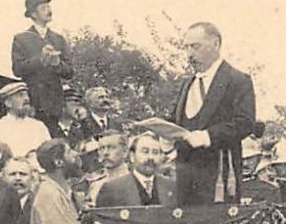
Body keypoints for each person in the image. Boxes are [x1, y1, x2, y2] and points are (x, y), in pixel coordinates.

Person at [168, 22, 256, 206]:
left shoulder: (238, 80)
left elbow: (245, 123)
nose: (189, 54)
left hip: (218, 178)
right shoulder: (187, 83)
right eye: (186, 47)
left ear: (215, 44)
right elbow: (177, 120)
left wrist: (209, 136)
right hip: (184, 178)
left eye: (195, 46)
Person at [9, 0, 73, 130]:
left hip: (56, 100)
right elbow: (17, 69)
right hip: (33, 99)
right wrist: (40, 59)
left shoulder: (58, 39)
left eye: (49, 7)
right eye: (44, 8)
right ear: (33, 14)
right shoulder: (22, 39)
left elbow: (70, 72)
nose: (49, 11)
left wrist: (57, 64)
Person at [95, 131, 176, 207]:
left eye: (155, 152)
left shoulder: (172, 187)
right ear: (132, 156)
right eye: (145, 151)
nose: (150, 157)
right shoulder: (111, 189)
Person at [0, 81, 51, 160]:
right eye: (20, 95)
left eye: (27, 95)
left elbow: (49, 154)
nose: (26, 99)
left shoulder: (39, 127)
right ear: (8, 103)